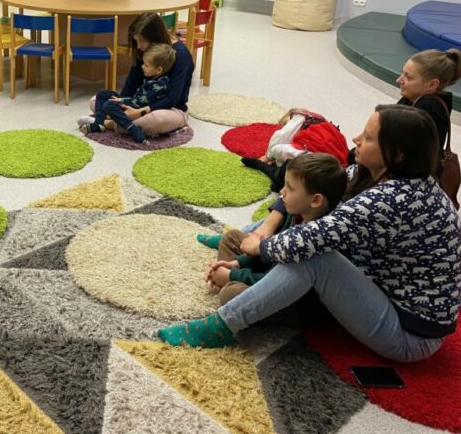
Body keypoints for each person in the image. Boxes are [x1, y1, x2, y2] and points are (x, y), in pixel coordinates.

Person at [159, 105, 461, 362]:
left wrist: (254, 250)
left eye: (368, 138)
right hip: (378, 291)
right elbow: (314, 187)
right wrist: (266, 227)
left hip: (407, 334)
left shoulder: (392, 200)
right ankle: (247, 241)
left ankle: (221, 325)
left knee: (314, 257)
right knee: (305, 200)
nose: (356, 139)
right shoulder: (384, 177)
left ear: (396, 154)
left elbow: (304, 243)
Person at [206, 153, 346, 306]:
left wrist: (233, 275)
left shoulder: (311, 241)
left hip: (291, 298)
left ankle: (227, 286)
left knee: (230, 293)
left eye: (290, 188)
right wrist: (237, 264)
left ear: (316, 200)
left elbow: (277, 280)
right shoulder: (296, 213)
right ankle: (225, 281)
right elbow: (270, 255)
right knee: (231, 237)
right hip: (270, 272)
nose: (281, 192)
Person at [79, 12, 195, 138]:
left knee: (155, 120)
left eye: (141, 41)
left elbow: (173, 98)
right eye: (136, 41)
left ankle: (107, 123)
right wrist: (122, 106)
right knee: (95, 100)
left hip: (170, 109)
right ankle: (122, 123)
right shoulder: (145, 50)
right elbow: (132, 83)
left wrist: (140, 112)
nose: (138, 46)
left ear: (155, 37)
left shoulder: (181, 55)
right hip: (139, 102)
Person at [79, 43, 176, 144]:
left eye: (146, 65)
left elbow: (140, 102)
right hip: (132, 100)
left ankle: (133, 129)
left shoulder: (159, 86)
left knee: (109, 105)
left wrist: (122, 100)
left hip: (137, 107)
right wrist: (122, 98)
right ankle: (99, 124)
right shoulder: (152, 77)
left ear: (159, 70)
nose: (142, 66)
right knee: (102, 94)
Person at [240, 107, 349, 192]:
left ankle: (269, 170)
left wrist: (268, 155)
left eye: (284, 124)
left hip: (312, 155)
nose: (283, 127)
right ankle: (279, 178)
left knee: (278, 149)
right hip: (335, 164)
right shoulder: (322, 123)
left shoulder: (299, 116)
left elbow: (280, 136)